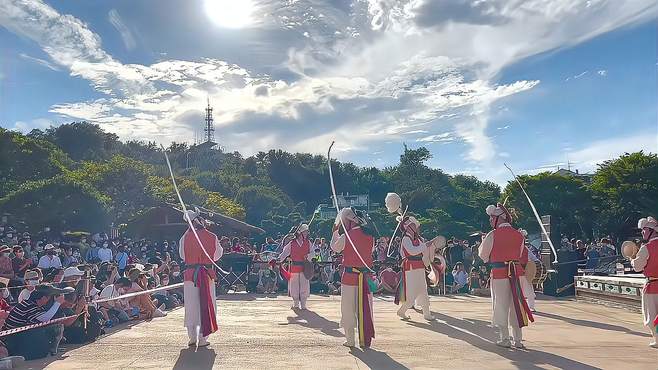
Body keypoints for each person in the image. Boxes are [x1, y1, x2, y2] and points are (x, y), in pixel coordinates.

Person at [479, 203, 533, 349]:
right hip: (517, 273)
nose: (490, 221)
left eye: (492, 218)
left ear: (499, 219)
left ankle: (505, 338)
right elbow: (521, 254)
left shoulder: (492, 234)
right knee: (517, 304)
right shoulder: (519, 235)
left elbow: (483, 255)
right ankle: (518, 340)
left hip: (500, 274)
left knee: (501, 305)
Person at [330, 208, 375, 348]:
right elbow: (370, 251)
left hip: (349, 278)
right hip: (366, 278)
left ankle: (350, 340)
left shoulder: (346, 236)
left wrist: (335, 231)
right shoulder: (371, 236)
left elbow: (335, 247)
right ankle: (365, 340)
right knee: (366, 308)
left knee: (348, 309)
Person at [179, 210, 223, 347]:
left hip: (191, 275)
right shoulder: (212, 236)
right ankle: (203, 338)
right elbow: (217, 255)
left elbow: (182, 256)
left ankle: (192, 337)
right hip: (206, 274)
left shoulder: (184, 238)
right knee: (206, 304)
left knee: (191, 306)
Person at [3, 285, 75, 359]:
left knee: (56, 326)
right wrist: (57, 303)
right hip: (12, 339)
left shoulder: (33, 305)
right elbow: (45, 319)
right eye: (50, 297)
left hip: (19, 337)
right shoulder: (29, 306)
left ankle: (51, 349)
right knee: (55, 327)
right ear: (44, 298)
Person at [394, 216, 433, 320]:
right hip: (410, 268)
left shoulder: (418, 239)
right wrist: (425, 245)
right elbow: (412, 251)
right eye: (412, 225)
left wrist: (430, 248)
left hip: (419, 266)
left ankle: (426, 313)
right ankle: (401, 311)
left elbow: (423, 251)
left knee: (423, 289)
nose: (415, 227)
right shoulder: (405, 239)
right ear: (408, 227)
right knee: (412, 292)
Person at [630, 216, 658, 348]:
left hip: (652, 285)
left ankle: (657, 339)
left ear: (651, 231)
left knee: (651, 315)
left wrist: (632, 258)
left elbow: (637, 267)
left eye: (644, 230)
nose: (642, 232)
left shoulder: (646, 247)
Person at [278, 224, 313, 310]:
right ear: (300, 233)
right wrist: (279, 259)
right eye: (304, 232)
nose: (306, 234)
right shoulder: (292, 243)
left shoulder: (308, 243)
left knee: (304, 285)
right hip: (294, 267)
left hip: (304, 267)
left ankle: (303, 304)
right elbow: (284, 253)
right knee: (294, 286)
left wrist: (308, 256)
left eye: (306, 232)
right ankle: (296, 303)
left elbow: (313, 253)